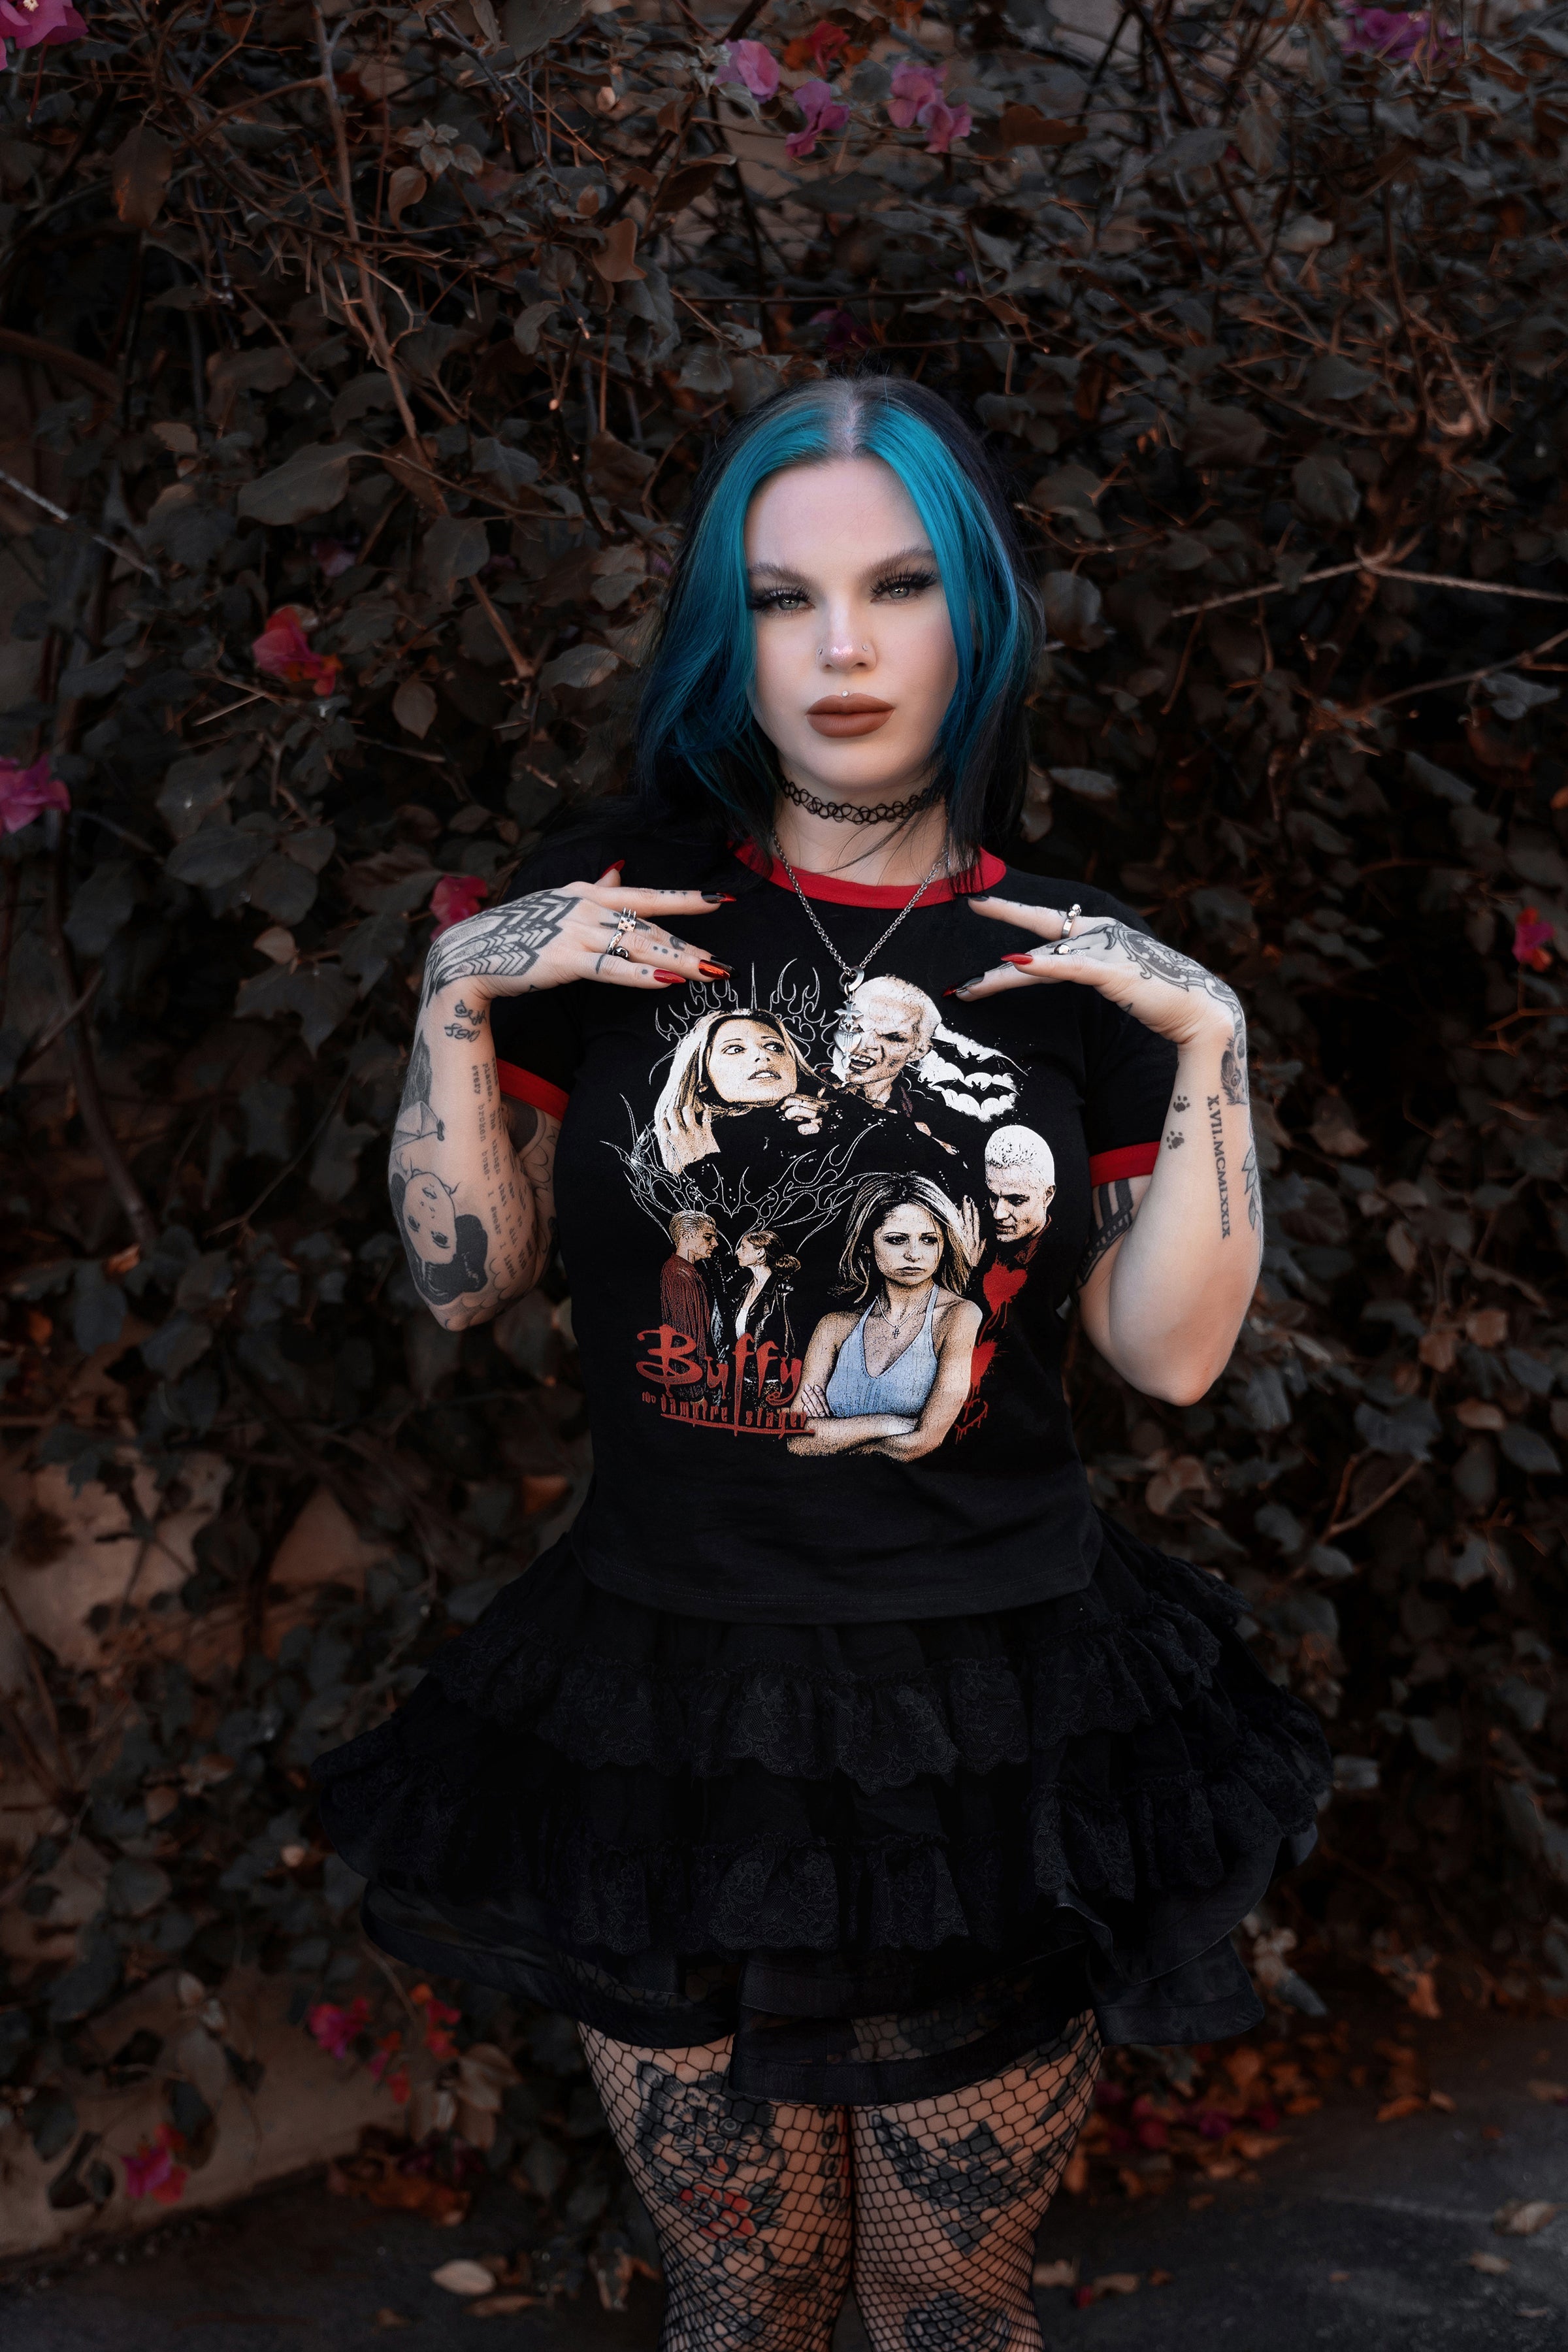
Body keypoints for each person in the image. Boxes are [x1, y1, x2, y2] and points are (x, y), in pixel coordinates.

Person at [316, 374, 1330, 2352]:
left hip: (989, 1708)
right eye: (785, 598)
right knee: (739, 2294)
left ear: (978, 614)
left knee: (940, 2300)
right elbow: (462, 1281)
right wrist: (454, 1000)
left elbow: (1168, 1358)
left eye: (897, 586)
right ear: (732, 630)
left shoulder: (1068, 961)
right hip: (666, 1697)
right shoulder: (621, 920)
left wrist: (1207, 1049)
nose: (841, 648)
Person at [789, 1175, 981, 1459]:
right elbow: (797, 1440)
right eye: (896, 1240)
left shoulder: (958, 1316)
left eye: (929, 1240)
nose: (914, 1254)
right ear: (867, 1243)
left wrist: (832, 1434)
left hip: (911, 1488)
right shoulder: (835, 1327)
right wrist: (888, 1423)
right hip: (822, 1485)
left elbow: (922, 1443)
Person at [659, 1209, 721, 1356]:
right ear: (686, 1237)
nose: (715, 1243)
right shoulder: (678, 1274)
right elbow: (684, 1334)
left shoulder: (686, 1270)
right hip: (689, 1362)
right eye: (708, 1237)